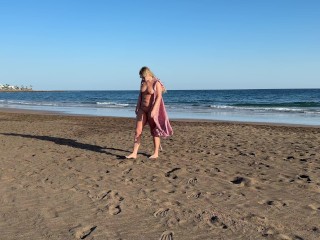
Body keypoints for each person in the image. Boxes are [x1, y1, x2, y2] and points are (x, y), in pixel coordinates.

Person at [126, 66, 173, 159]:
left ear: (147, 74)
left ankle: (156, 153)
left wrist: (154, 110)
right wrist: (137, 107)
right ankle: (134, 153)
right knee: (138, 131)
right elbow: (141, 95)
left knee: (154, 131)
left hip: (152, 109)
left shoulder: (156, 83)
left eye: (143, 76)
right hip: (142, 109)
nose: (142, 79)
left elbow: (159, 97)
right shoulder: (143, 82)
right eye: (141, 77)